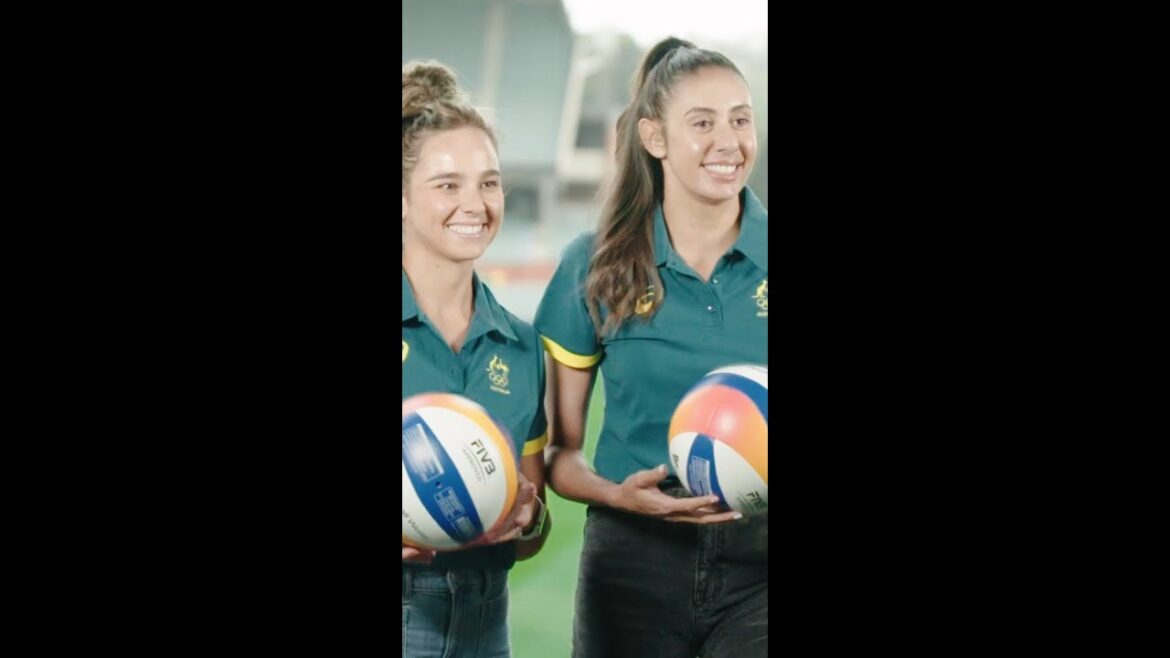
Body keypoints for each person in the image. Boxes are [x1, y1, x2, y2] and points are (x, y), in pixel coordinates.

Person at [535, 37, 768, 658]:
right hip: (631, 563)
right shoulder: (593, 264)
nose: (730, 141)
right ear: (654, 137)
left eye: (741, 119)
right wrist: (618, 495)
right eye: (702, 123)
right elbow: (560, 454)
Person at [401, 59, 552, 658]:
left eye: (489, 182)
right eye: (448, 184)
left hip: (488, 622)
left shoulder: (520, 342)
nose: (476, 203)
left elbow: (532, 527)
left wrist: (524, 516)